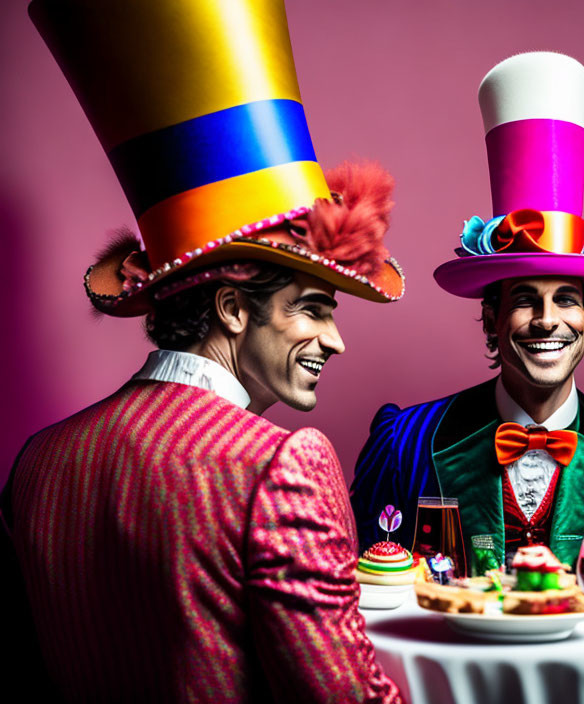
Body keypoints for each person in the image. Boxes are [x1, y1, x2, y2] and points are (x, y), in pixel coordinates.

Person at [1, 1, 404, 701]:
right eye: (312, 309)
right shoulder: (281, 464)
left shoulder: (39, 460)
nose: (336, 340)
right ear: (231, 308)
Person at [350, 52, 584, 583]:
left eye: (567, 300)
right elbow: (375, 595)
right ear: (491, 319)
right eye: (525, 299)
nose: (547, 320)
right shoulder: (402, 443)